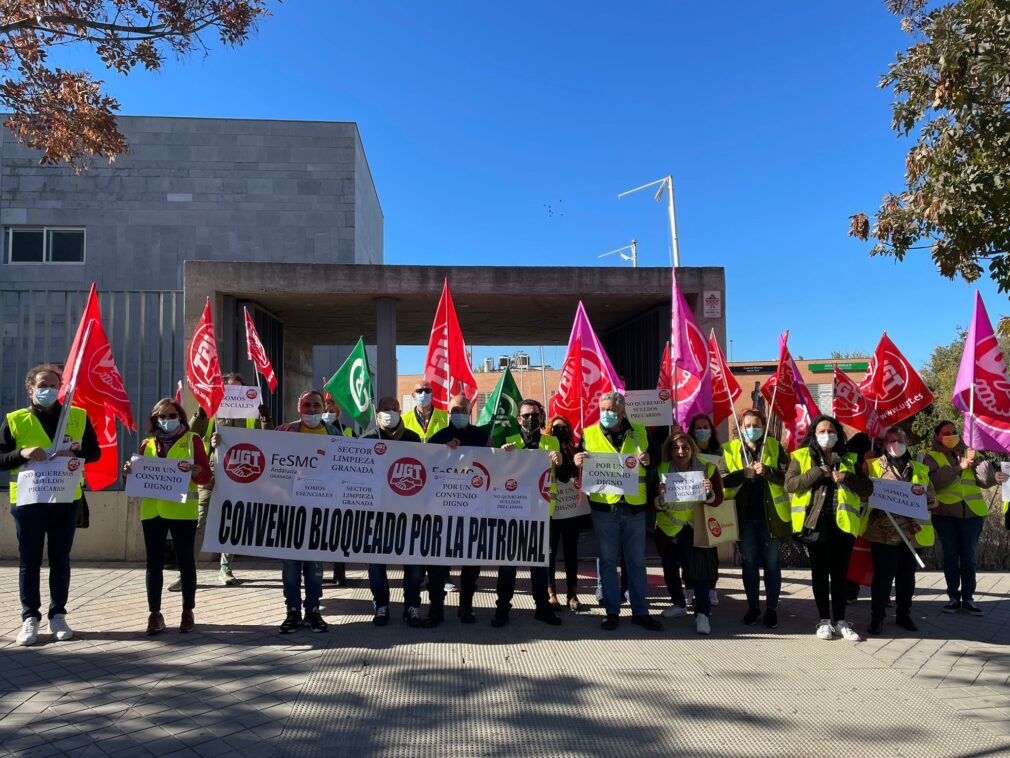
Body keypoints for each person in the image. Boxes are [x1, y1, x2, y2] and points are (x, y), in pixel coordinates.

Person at [1, 364, 101, 646]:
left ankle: (58, 614)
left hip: (65, 498)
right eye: (43, 385)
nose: (49, 390)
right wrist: (21, 453)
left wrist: (77, 450)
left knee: (60, 559)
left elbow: (95, 453)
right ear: (30, 388)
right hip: (28, 501)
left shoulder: (77, 416)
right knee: (29, 561)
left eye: (55, 385)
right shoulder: (15, 420)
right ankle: (29, 618)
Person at [123, 397, 211, 635]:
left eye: (172, 416)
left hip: (183, 511)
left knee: (186, 563)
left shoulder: (192, 441)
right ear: (155, 419)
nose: (167, 420)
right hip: (153, 511)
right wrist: (128, 473)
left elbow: (206, 477)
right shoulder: (147, 443)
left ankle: (187, 611)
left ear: (181, 417)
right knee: (153, 564)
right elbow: (134, 480)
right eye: (162, 416)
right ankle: (154, 614)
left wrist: (197, 471)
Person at [575, 391, 661, 632]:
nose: (606, 414)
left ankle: (640, 612)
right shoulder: (589, 433)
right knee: (607, 562)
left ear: (622, 411)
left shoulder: (641, 432)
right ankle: (612, 612)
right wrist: (578, 459)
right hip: (604, 508)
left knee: (636, 562)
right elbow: (577, 457)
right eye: (603, 410)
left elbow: (657, 458)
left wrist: (648, 459)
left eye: (611, 410)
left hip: (634, 507)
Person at [785, 415, 873, 641]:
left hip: (843, 525)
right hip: (815, 525)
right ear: (814, 434)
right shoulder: (801, 456)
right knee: (820, 573)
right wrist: (817, 472)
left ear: (838, 435)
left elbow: (867, 489)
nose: (827, 435)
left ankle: (841, 621)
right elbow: (790, 484)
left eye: (831, 431)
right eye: (822, 431)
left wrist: (846, 477)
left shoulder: (849, 458)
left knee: (841, 575)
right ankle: (824, 620)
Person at [188, 372, 272, 588]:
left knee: (231, 521)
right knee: (200, 522)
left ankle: (226, 568)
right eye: (230, 390)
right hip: (211, 474)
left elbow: (270, 441)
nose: (235, 394)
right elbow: (191, 435)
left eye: (240, 390)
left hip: (239, 477)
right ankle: (188, 570)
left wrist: (265, 419)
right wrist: (203, 413)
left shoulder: (253, 414)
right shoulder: (211, 413)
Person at [274, 390, 341, 633]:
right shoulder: (284, 431)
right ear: (298, 407)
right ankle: (292, 611)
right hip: (290, 510)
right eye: (307, 405)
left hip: (320, 511)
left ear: (323, 406)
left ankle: (313, 610)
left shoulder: (335, 433)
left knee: (314, 567)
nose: (311, 409)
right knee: (290, 566)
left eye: (316, 405)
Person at [718, 408, 790, 629]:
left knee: (771, 564)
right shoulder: (729, 449)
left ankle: (771, 609)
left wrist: (767, 471)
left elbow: (789, 478)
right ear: (740, 428)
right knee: (749, 565)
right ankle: (752, 607)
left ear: (764, 426)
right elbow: (721, 480)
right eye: (747, 426)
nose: (752, 430)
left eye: (756, 425)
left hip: (771, 518)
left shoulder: (775, 447)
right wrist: (742, 474)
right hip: (744, 518)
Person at [495, 400, 564, 627]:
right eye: (526, 415)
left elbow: (563, 476)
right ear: (518, 419)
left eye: (534, 415)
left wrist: (560, 461)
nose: (530, 419)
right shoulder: (508, 442)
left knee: (540, 564)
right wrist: (501, 457)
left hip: (543, 511)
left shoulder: (552, 441)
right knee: (508, 564)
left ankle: (542, 607)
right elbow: (498, 475)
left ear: (541, 417)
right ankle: (503, 608)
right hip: (514, 512)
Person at [863, 426, 936, 635]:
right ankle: (877, 617)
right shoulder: (873, 465)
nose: (896, 444)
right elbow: (861, 493)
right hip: (883, 532)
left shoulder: (919, 469)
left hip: (912, 534)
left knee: (907, 577)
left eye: (900, 440)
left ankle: (904, 614)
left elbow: (932, 497)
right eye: (891, 440)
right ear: (884, 444)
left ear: (907, 443)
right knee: (883, 577)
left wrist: (929, 500)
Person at [362, 396, 425, 628]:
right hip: (377, 514)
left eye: (395, 409)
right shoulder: (368, 439)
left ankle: (412, 607)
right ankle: (381, 605)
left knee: (414, 564)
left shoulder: (413, 438)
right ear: (377, 413)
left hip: (409, 512)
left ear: (400, 412)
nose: (391, 413)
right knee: (377, 564)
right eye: (386, 409)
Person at [427, 395, 490, 625]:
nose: (458, 414)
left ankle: (466, 606)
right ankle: (435, 609)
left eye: (462, 409)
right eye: (454, 410)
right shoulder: (438, 438)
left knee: (471, 562)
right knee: (436, 563)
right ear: (448, 412)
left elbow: (495, 466)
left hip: (474, 510)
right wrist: (442, 451)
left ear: (470, 409)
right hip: (442, 511)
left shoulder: (483, 437)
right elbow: (426, 464)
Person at [655, 431, 723, 635]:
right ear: (670, 451)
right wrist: (661, 498)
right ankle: (678, 604)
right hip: (669, 530)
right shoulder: (662, 469)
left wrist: (709, 492)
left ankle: (702, 614)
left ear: (692, 448)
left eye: (685, 447)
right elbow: (653, 503)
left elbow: (719, 498)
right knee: (670, 570)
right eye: (675, 448)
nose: (681, 451)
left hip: (696, 528)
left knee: (700, 573)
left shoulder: (708, 468)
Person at [923, 420, 993, 616]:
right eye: (946, 433)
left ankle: (969, 598)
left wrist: (978, 461)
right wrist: (959, 467)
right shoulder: (931, 456)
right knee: (951, 557)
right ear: (937, 436)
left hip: (972, 514)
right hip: (946, 515)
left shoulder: (971, 451)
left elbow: (987, 482)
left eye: (954, 432)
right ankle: (953, 597)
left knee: (969, 558)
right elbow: (934, 482)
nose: (951, 435)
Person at [546, 413, 588, 611]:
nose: (559, 431)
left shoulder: (576, 450)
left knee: (571, 552)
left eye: (563, 428)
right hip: (551, 508)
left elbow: (583, 474)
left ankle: (572, 593)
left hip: (571, 507)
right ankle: (551, 592)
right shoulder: (545, 448)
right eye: (555, 428)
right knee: (550, 551)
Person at [687, 413, 722, 608]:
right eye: (698, 428)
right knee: (691, 551)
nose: (702, 431)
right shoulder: (686, 450)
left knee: (711, 550)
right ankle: (690, 586)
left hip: (711, 506)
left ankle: (711, 588)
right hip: (690, 508)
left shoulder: (719, 451)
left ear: (711, 430)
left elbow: (724, 478)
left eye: (705, 427)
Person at [322, 390, 353, 586]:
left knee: (339, 531)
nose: (329, 411)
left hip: (339, 487)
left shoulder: (347, 431)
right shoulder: (311, 429)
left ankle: (339, 573)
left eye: (332, 408)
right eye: (326, 408)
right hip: (318, 487)